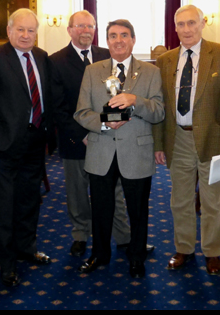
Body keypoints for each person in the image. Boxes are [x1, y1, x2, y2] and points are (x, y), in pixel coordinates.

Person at [153, 5, 220, 275]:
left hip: (215, 140)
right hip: (177, 138)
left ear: (203, 23)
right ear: (175, 27)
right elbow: (161, 106)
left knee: (213, 199)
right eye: (181, 24)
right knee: (179, 198)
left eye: (192, 23)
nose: (186, 29)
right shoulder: (165, 60)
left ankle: (212, 252)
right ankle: (184, 248)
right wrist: (158, 144)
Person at [74, 19, 164, 278]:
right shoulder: (93, 71)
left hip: (136, 152)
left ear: (133, 40)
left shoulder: (150, 72)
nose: (118, 40)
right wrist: (104, 123)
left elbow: (158, 111)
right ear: (107, 41)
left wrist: (136, 101)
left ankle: (136, 257)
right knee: (101, 209)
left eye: (124, 35)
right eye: (113, 36)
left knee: (138, 210)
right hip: (101, 151)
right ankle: (99, 255)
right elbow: (81, 112)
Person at [0, 8, 55, 287]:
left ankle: (27, 248)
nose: (25, 35)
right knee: (7, 205)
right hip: (5, 146)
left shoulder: (42, 57)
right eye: (20, 29)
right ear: (9, 30)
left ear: (37, 32)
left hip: (36, 143)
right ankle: (7, 264)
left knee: (30, 199)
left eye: (31, 30)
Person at [49, 10, 132, 258]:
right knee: (77, 192)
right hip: (75, 139)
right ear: (69, 30)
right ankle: (80, 234)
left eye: (90, 26)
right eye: (80, 26)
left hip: (107, 138)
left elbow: (117, 98)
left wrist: (107, 127)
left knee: (114, 191)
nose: (86, 31)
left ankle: (123, 236)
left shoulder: (107, 56)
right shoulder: (56, 61)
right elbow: (58, 107)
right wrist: (81, 135)